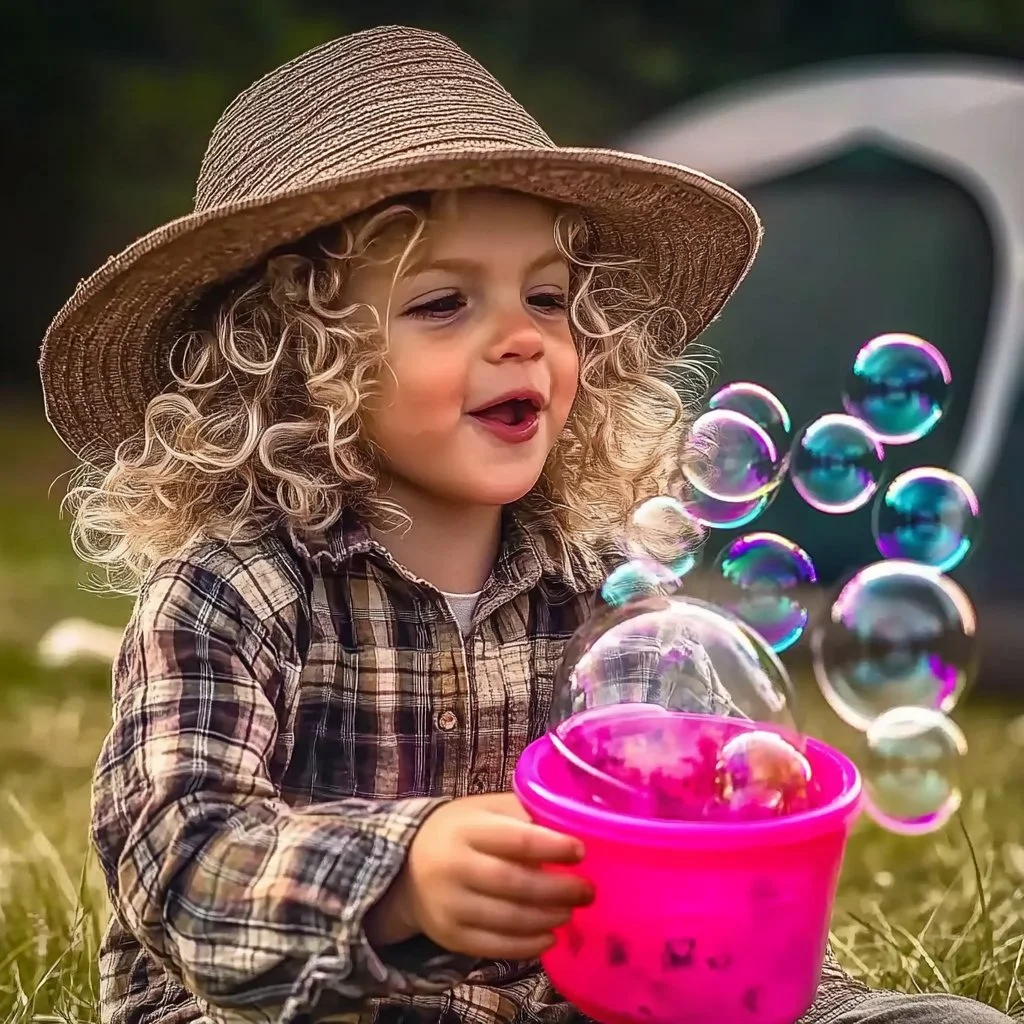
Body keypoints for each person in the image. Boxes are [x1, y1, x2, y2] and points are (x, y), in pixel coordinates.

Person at [41, 25, 1011, 1024]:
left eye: (548, 297)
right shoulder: (230, 590)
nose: (522, 337)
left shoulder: (594, 584)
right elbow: (174, 850)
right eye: (443, 303)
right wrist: (398, 875)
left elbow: (651, 816)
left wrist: (722, 799)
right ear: (292, 365)